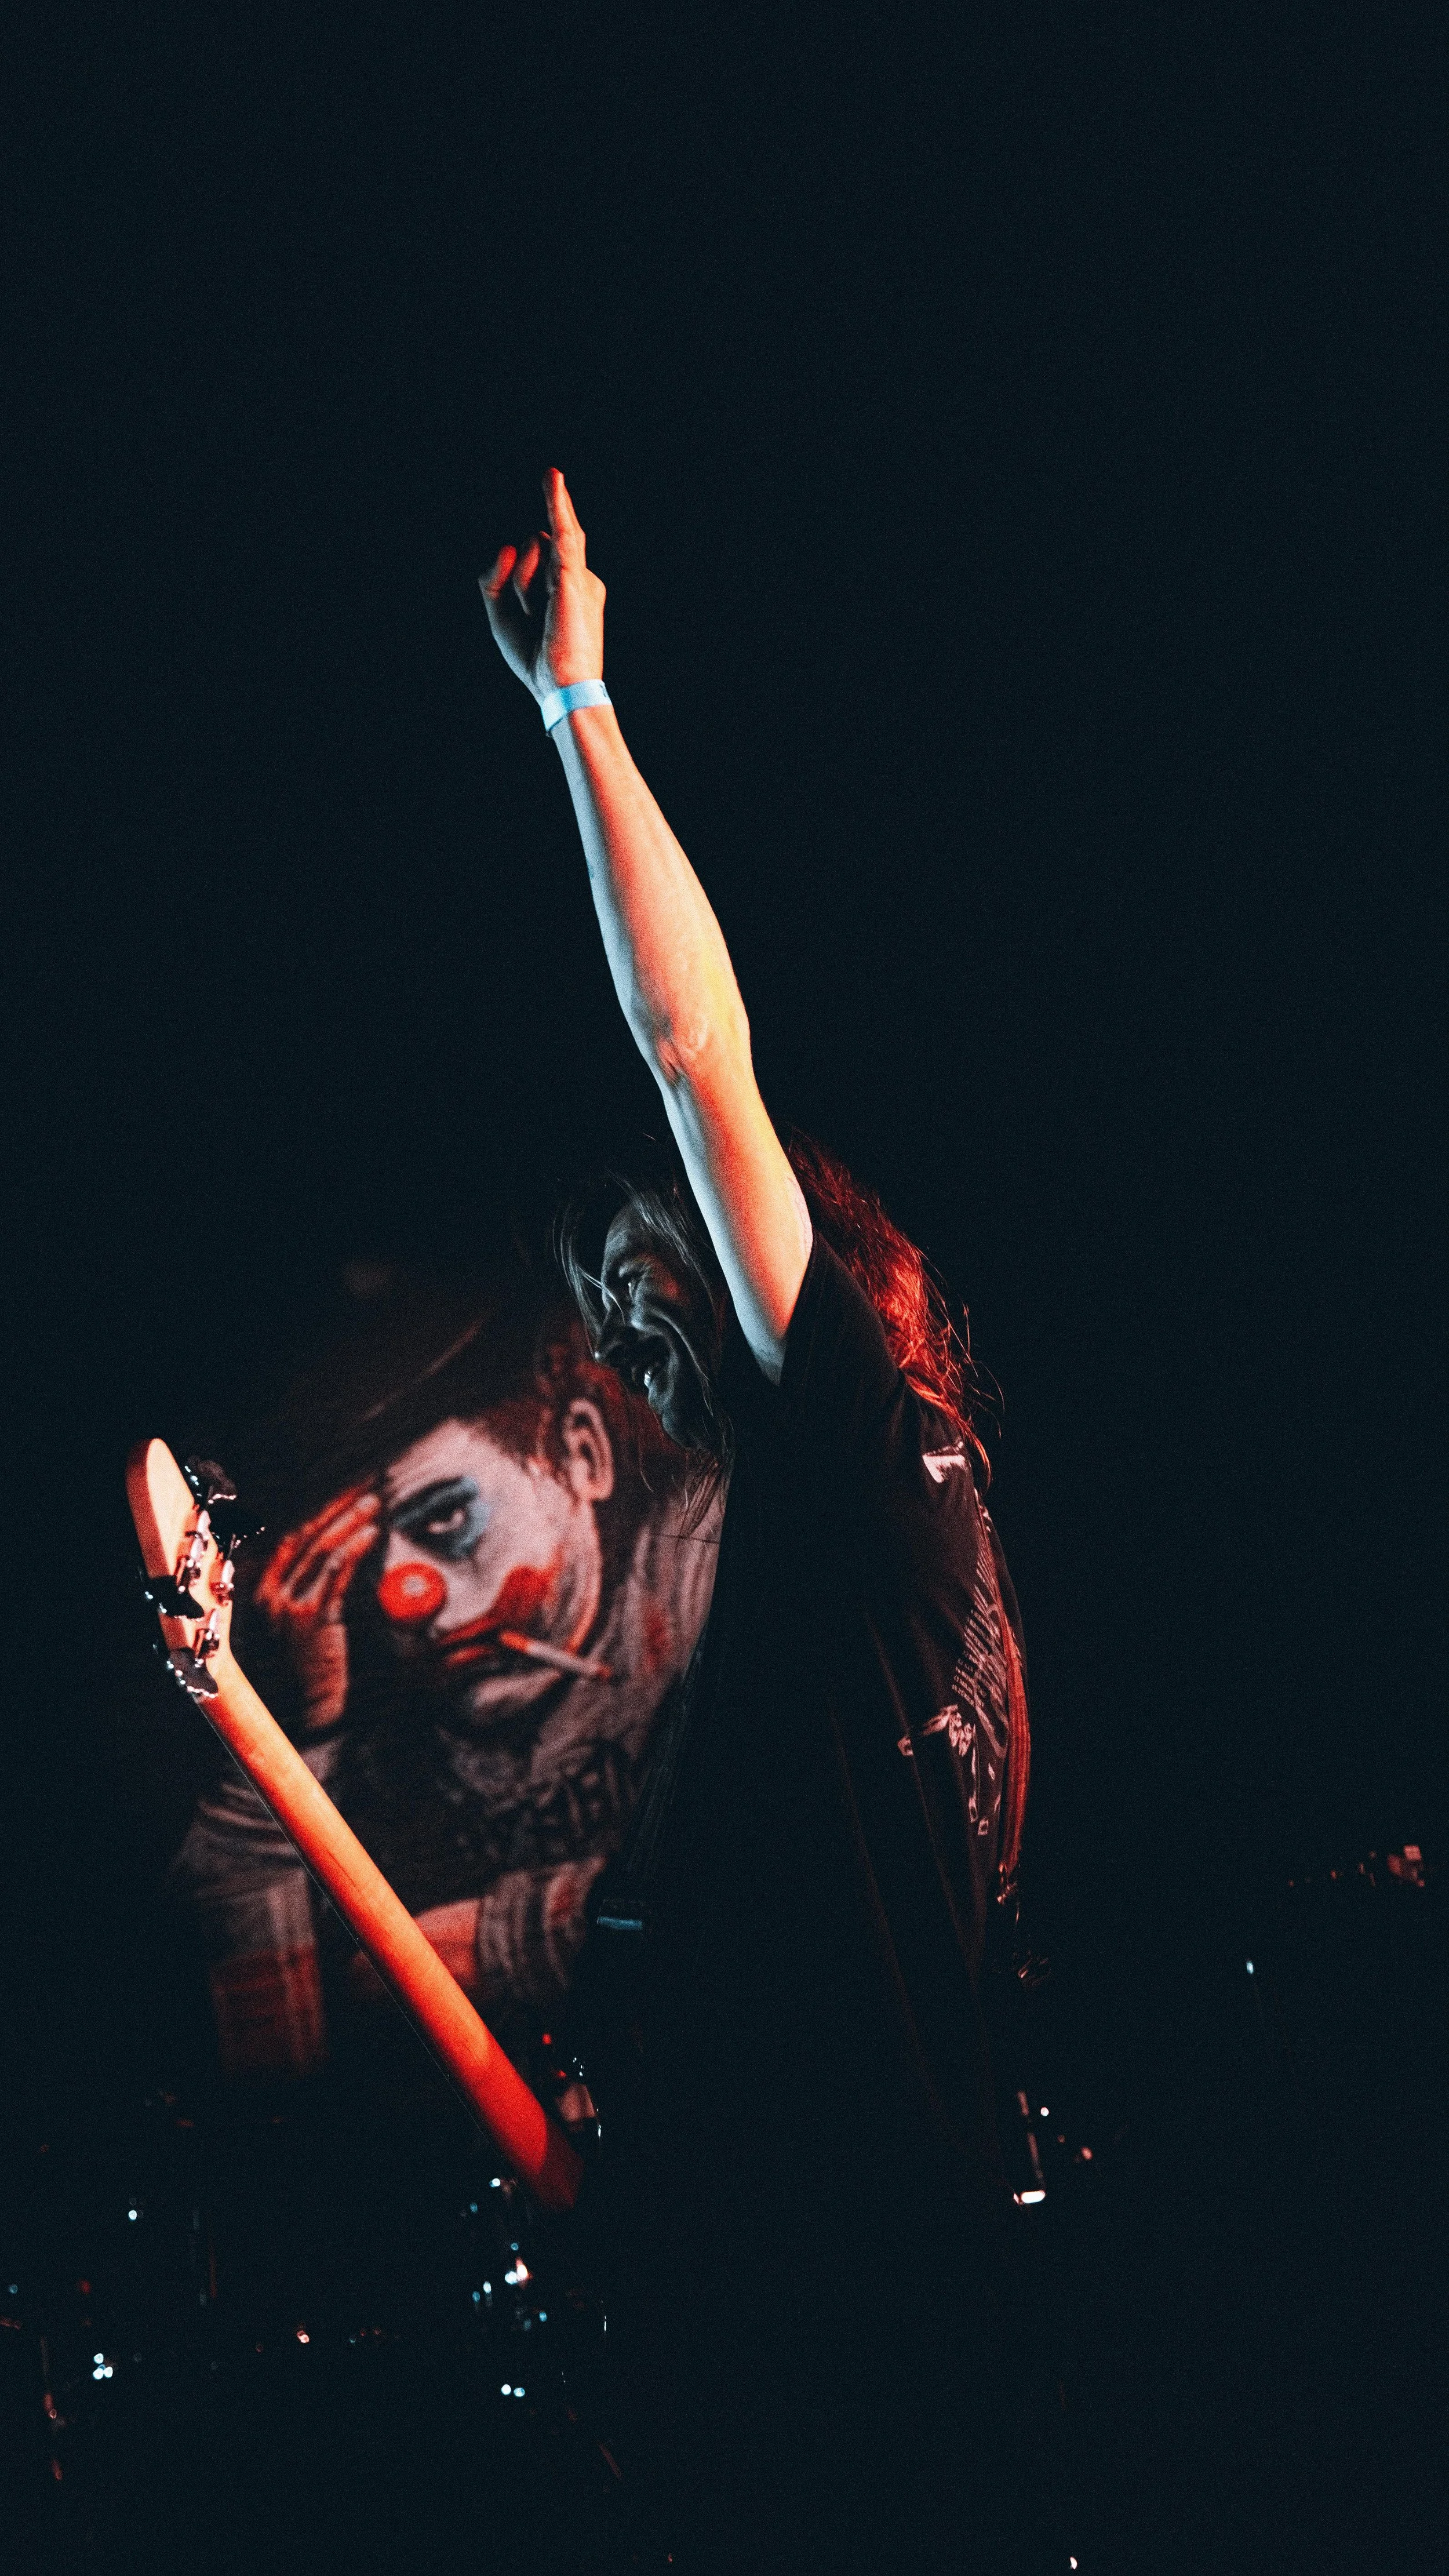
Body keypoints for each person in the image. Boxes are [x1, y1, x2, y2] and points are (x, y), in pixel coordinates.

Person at [480, 478, 1047, 2572]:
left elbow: (694, 1051)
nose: (645, 1347)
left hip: (823, 2356)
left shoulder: (865, 1454)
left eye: (665, 1290)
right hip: (886, 2319)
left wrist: (580, 711)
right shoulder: (929, 1558)